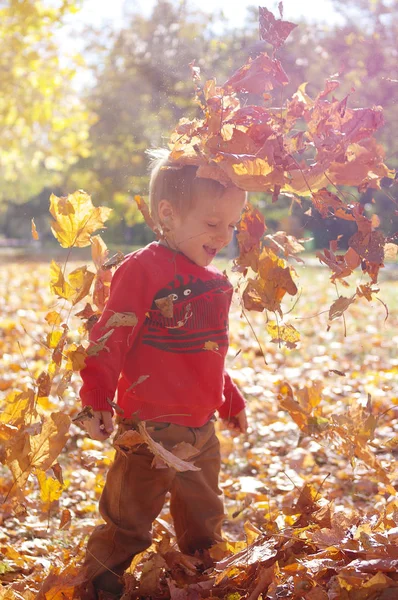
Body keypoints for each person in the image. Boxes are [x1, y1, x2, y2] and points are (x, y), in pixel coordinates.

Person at [79, 150, 248, 599]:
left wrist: (229, 398)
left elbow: (209, 351)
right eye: (213, 223)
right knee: (128, 521)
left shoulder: (216, 282)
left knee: (204, 519)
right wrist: (95, 396)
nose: (224, 235)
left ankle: (199, 579)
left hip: (201, 429)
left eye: (232, 225)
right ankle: (99, 585)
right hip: (148, 430)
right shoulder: (144, 269)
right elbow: (110, 336)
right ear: (168, 215)